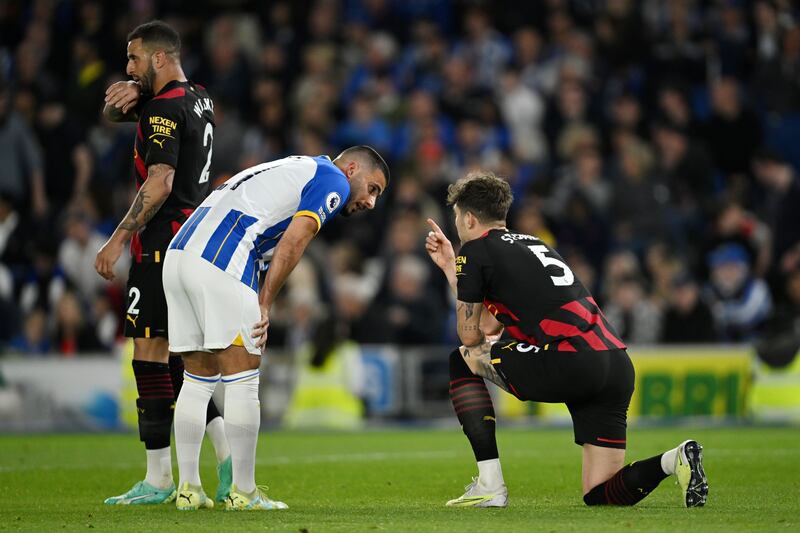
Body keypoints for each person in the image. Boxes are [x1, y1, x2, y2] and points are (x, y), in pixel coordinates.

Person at [424, 171, 708, 508]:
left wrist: (456, 265)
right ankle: (675, 459)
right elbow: (490, 326)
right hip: (614, 363)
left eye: (456, 217)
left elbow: (471, 337)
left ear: (469, 218)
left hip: (570, 359)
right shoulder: (534, 244)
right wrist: (449, 268)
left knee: (461, 359)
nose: (456, 225)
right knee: (599, 494)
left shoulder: (473, 251)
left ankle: (490, 485)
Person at [163, 146, 388, 510]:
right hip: (222, 258)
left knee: (197, 378)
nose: (371, 202)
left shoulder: (296, 166)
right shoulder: (332, 179)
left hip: (180, 255)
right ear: (351, 169)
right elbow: (295, 239)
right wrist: (264, 301)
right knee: (242, 379)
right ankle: (245, 491)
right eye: (373, 189)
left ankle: (189, 488)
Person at [94, 20, 231, 506]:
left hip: (159, 245)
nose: (127, 68)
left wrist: (116, 240)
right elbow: (141, 115)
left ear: (156, 58)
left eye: (133, 59)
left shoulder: (162, 110)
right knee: (184, 359)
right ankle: (229, 464)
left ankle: (156, 479)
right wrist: (130, 97)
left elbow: (159, 182)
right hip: (194, 242)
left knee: (149, 353)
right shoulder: (199, 97)